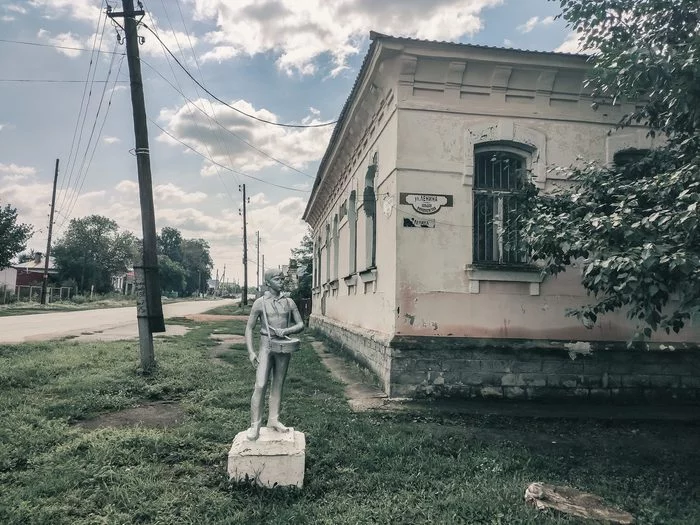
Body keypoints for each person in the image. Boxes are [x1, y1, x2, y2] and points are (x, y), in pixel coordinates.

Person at [245, 268, 304, 441]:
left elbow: (300, 324)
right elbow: (249, 328)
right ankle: (255, 425)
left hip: (283, 345)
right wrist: (250, 351)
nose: (281, 281)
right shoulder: (259, 303)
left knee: (278, 384)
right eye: (277, 279)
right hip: (265, 345)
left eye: (282, 278)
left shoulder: (289, 302)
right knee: (261, 384)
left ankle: (273, 420)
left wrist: (286, 330)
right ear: (268, 282)